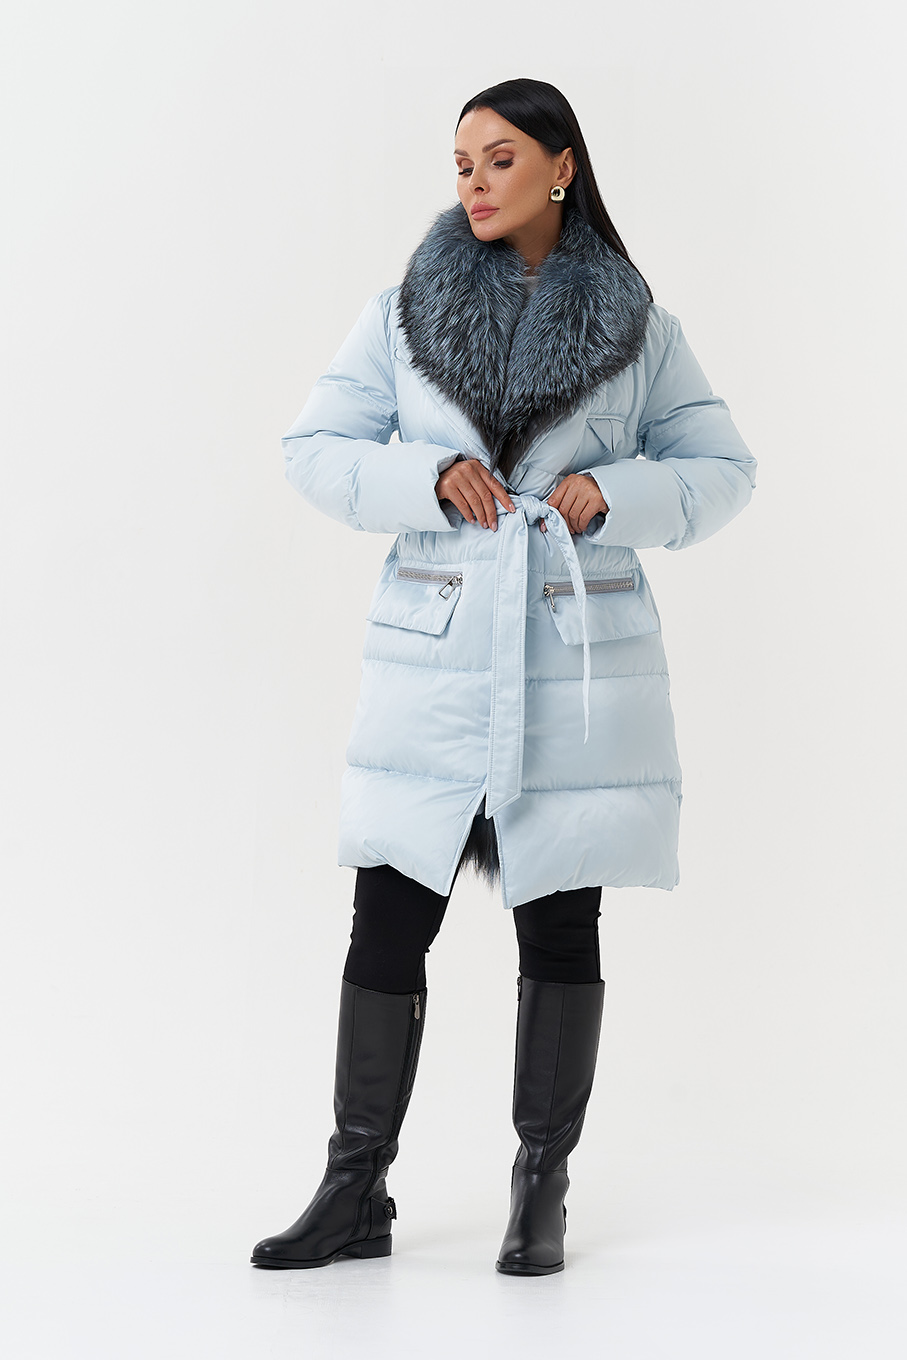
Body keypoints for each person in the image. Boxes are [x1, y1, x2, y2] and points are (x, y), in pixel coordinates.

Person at [251, 77, 756, 1276]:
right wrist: (426, 478)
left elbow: (723, 469)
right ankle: (354, 1185)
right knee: (388, 916)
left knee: (560, 922)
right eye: (461, 163)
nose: (474, 182)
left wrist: (614, 493)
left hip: (573, 664)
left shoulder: (640, 325)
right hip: (434, 660)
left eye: (499, 158)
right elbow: (313, 448)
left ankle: (541, 1190)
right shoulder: (401, 314)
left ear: (561, 166)